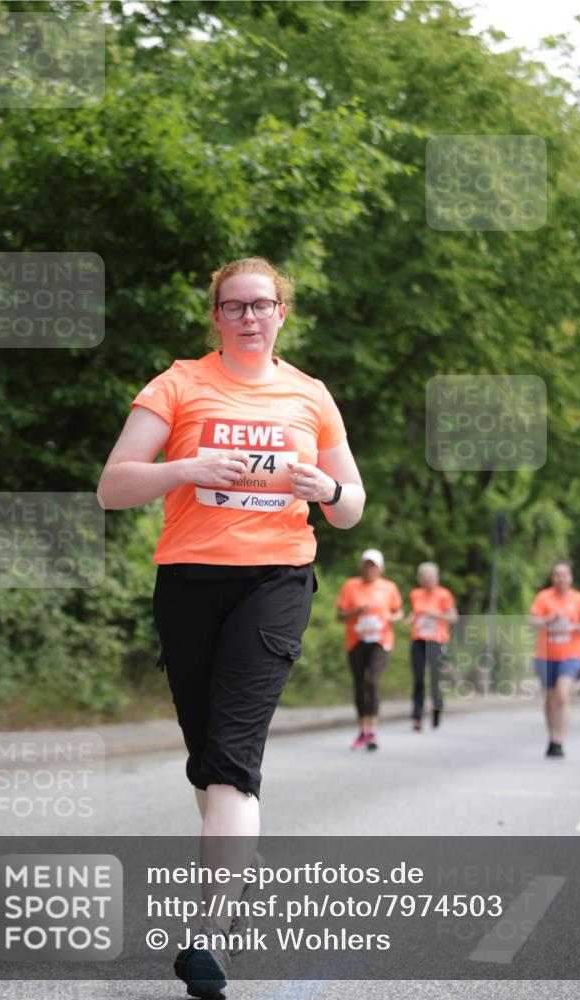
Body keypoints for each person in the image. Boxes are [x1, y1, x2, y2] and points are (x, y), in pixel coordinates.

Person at [96, 257, 365, 998]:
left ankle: (209, 936)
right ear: (215, 316)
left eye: (262, 305)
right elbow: (113, 486)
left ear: (283, 312)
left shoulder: (310, 395)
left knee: (232, 760)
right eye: (234, 306)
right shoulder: (177, 384)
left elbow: (351, 507)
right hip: (187, 583)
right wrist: (184, 468)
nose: (249, 316)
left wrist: (330, 488)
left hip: (275, 582)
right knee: (208, 758)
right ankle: (232, 891)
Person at [336, 549, 403, 751]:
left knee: (372, 681)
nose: (369, 569)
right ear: (361, 566)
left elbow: (398, 611)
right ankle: (362, 731)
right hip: (356, 641)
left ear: (380, 568)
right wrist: (357, 611)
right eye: (366, 564)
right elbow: (339, 616)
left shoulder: (389, 587)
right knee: (358, 684)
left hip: (381, 641)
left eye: (373, 565)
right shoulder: (350, 586)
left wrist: (394, 617)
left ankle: (372, 730)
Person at [529, 562, 580, 757]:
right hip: (545, 655)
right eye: (557, 575)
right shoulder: (543, 597)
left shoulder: (579, 598)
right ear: (552, 578)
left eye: (564, 575)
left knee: (563, 695)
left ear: (570, 578)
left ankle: (559, 740)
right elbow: (532, 622)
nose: (561, 578)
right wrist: (550, 619)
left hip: (571, 653)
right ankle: (552, 736)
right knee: (549, 699)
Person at [406, 562, 458, 731]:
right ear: (420, 579)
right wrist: (409, 619)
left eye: (432, 576)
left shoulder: (444, 594)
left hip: (437, 640)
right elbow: (415, 613)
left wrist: (434, 614)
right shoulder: (415, 594)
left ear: (436, 577)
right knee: (419, 679)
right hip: (418, 639)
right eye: (425, 576)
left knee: (435, 678)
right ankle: (417, 716)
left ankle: (437, 707)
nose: (429, 579)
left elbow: (453, 617)